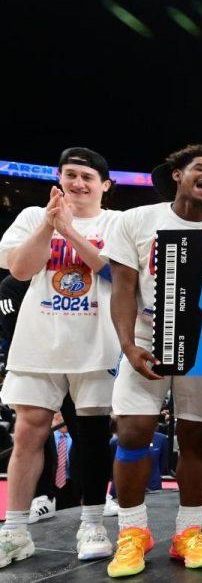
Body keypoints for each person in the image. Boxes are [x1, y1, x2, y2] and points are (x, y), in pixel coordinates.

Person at [102, 144, 202, 578]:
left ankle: (188, 532)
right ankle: (132, 533)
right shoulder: (136, 219)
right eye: (201, 168)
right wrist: (127, 345)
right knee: (134, 430)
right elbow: (122, 287)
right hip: (144, 334)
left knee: (196, 437)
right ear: (177, 174)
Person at [0, 148, 122, 568]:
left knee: (90, 436)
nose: (78, 183)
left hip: (96, 342)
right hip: (38, 341)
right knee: (28, 432)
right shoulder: (34, 215)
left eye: (88, 176)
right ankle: (14, 531)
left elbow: (112, 272)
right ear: (60, 178)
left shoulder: (117, 222)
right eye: (70, 175)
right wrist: (48, 226)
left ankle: (93, 525)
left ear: (105, 184)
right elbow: (18, 269)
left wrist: (69, 233)